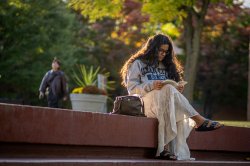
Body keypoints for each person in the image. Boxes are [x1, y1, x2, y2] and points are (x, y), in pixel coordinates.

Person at [120, 34, 223, 160]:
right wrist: (151, 85)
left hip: (164, 103)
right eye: (161, 50)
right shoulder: (138, 63)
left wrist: (177, 89)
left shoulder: (167, 66)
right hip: (145, 103)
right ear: (152, 48)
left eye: (166, 52)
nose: (163, 54)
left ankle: (164, 150)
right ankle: (199, 120)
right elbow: (132, 89)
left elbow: (170, 92)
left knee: (169, 90)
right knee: (168, 89)